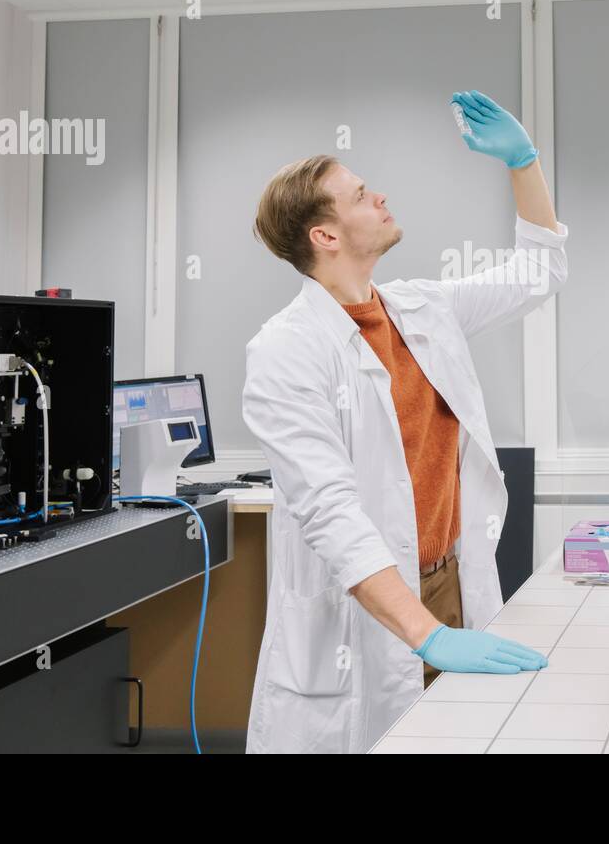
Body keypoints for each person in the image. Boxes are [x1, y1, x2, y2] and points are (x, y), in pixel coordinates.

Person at [243, 91, 569, 753]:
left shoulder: (422, 309)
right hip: (368, 612)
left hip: (449, 583)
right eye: (362, 195)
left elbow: (539, 273)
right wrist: (425, 633)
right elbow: (333, 513)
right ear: (325, 236)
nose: (381, 198)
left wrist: (523, 163)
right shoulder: (285, 350)